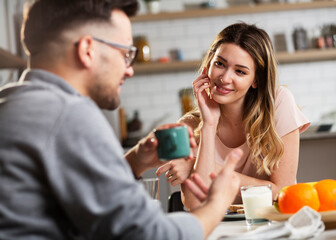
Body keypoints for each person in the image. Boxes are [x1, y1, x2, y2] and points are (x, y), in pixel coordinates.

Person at [0, 0, 242, 239]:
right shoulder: (69, 114)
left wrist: (134, 162)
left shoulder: (13, 101)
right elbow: (150, 235)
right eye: (125, 54)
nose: (129, 70)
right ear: (87, 50)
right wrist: (216, 204)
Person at [156, 23, 310, 210]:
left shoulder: (278, 103)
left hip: (272, 224)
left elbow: (283, 191)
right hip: (218, 228)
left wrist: (202, 168)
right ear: (207, 66)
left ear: (256, 80)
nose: (225, 78)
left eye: (240, 71)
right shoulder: (189, 126)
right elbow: (195, 204)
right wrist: (209, 125)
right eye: (219, 64)